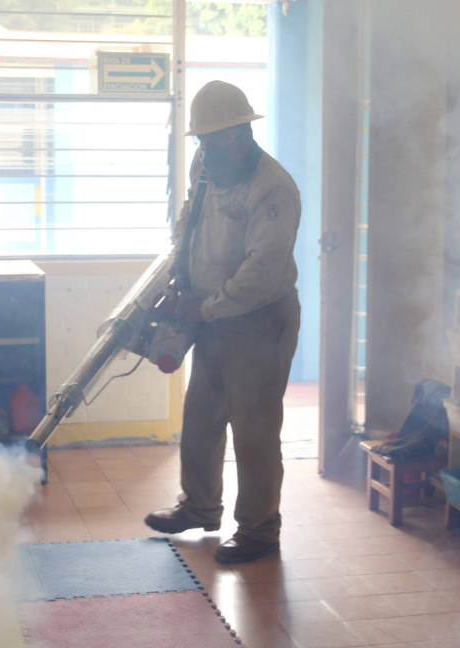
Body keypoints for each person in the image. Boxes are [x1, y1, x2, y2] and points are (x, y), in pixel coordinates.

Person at [144, 80, 301, 564]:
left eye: (213, 139)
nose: (204, 149)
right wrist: (179, 276)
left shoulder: (273, 189)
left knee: (252, 429)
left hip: (258, 321)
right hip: (209, 315)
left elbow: (261, 273)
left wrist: (206, 308)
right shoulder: (207, 167)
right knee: (201, 418)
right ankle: (199, 506)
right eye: (200, 140)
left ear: (239, 134)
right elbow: (190, 221)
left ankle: (258, 529)